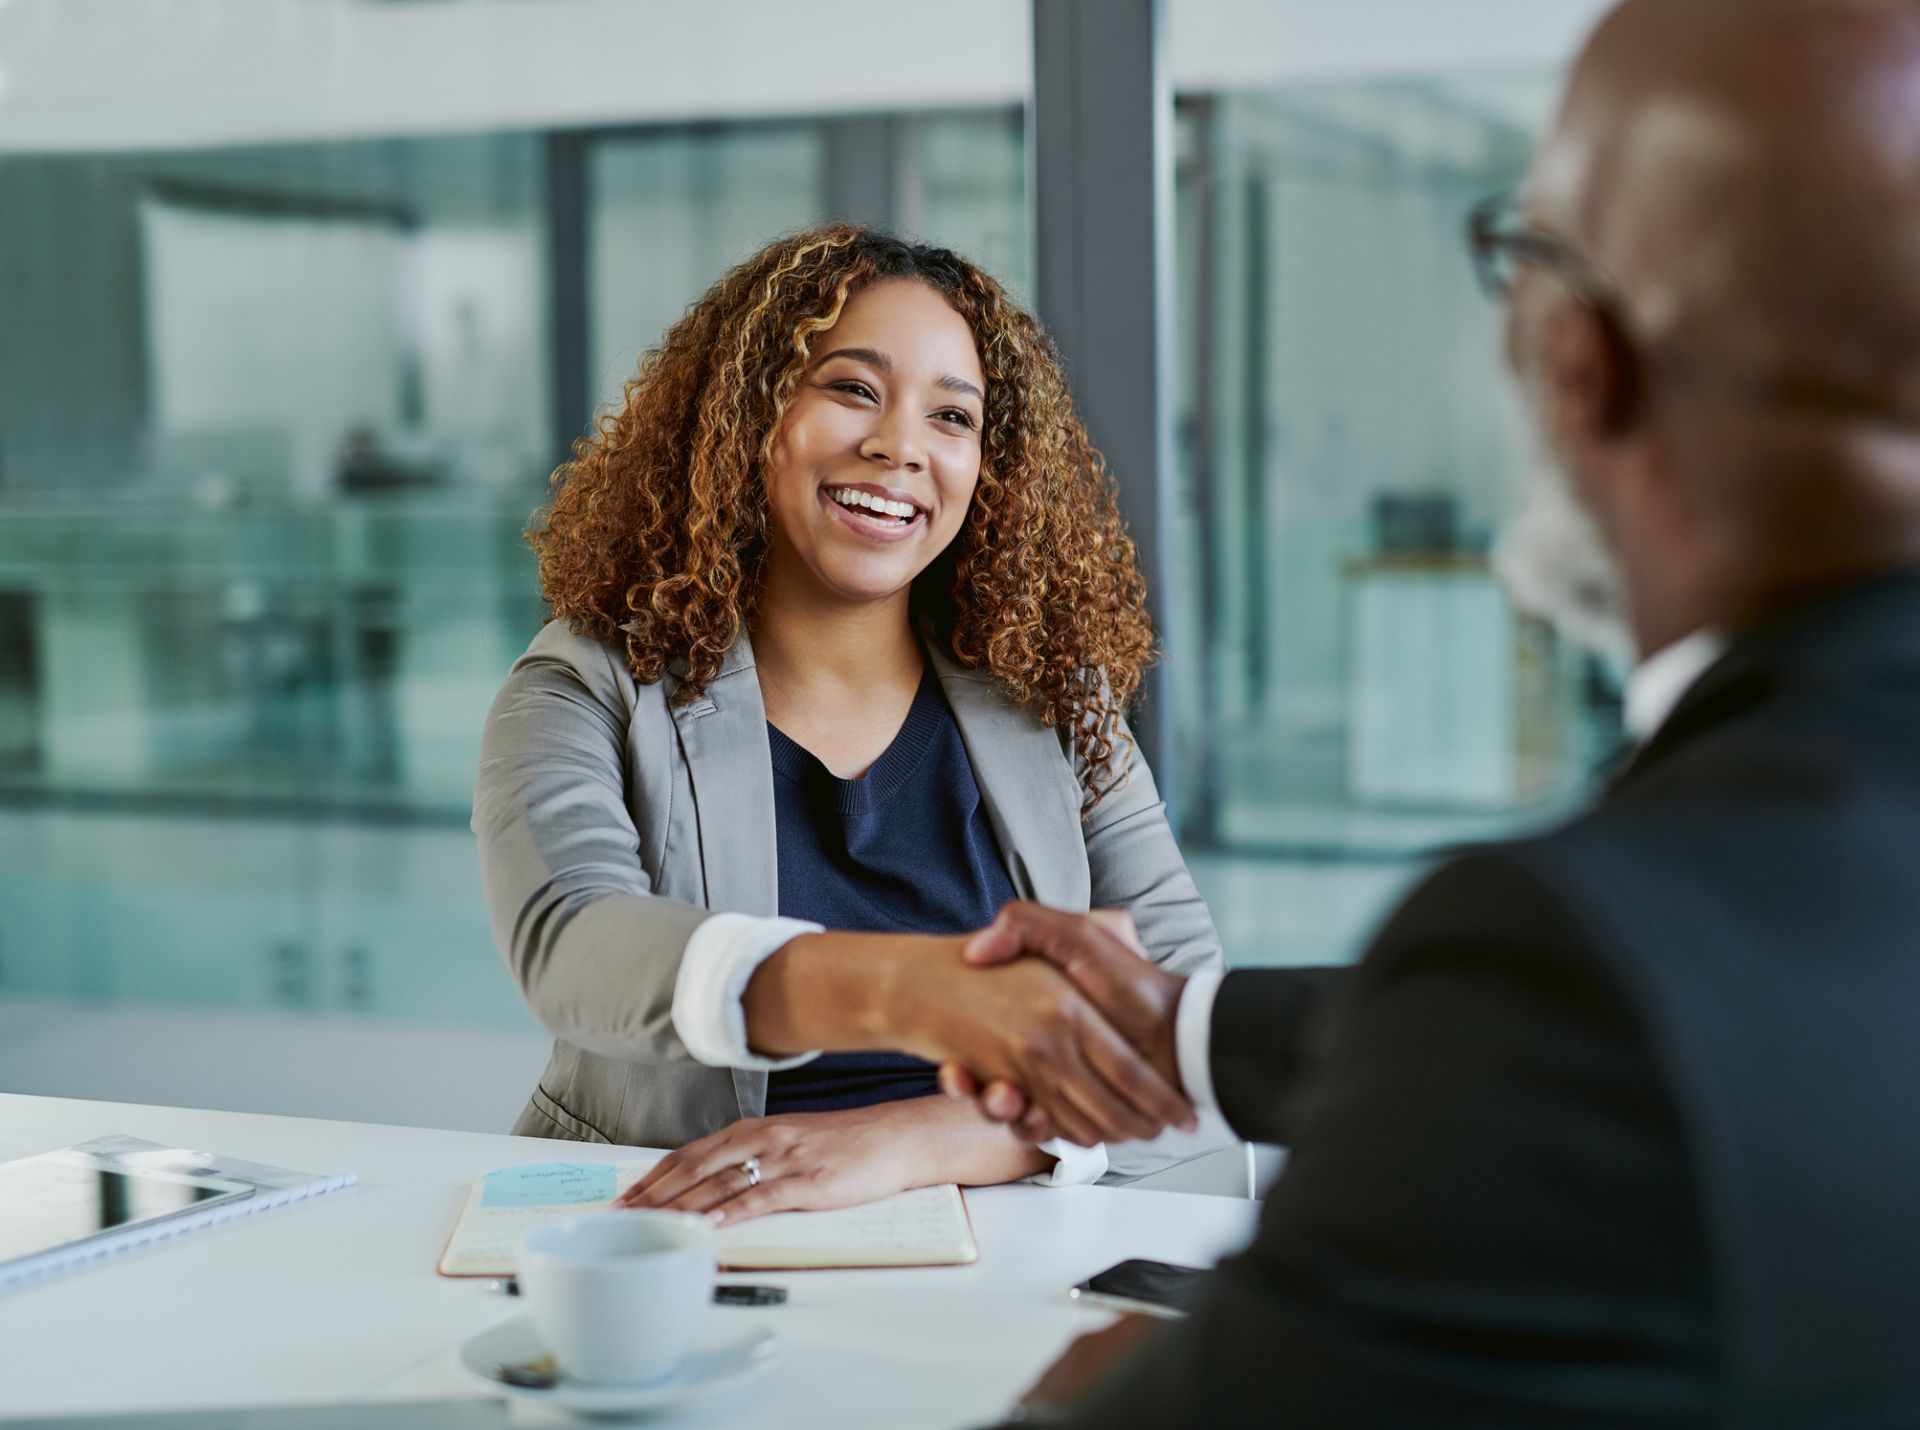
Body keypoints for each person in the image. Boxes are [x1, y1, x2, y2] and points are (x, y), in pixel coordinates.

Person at [937, 0, 1920, 1422]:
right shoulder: (1692, 948)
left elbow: (1569, 1052)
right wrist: (1184, 1029)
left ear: (1582, 365)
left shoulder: (1574, 973)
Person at [472, 226, 1242, 1225]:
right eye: (850, 388)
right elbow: (574, 944)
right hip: (679, 1233)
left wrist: (901, 1141)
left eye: (952, 415)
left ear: (988, 467)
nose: (899, 446)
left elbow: (1187, 1033)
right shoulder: (586, 686)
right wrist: (921, 993)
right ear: (751, 414)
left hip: (1000, 1239)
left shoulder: (1056, 704)